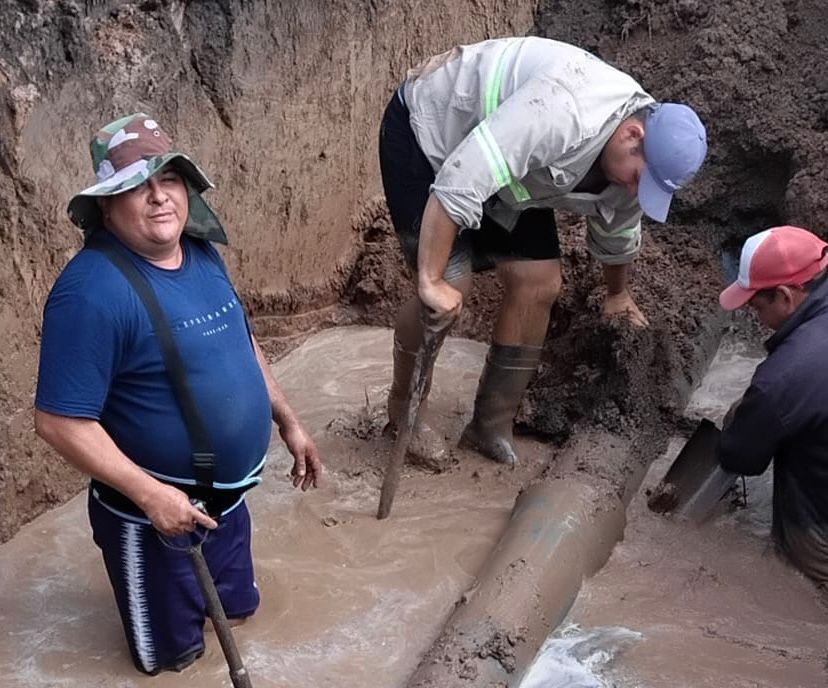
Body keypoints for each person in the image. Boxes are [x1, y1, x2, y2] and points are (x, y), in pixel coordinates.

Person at [34, 113, 323, 674]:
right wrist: (150, 496)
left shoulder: (203, 255)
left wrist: (288, 420)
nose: (159, 197)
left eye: (168, 180)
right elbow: (58, 422)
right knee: (175, 664)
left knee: (238, 615)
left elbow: (242, 344)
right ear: (107, 206)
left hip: (230, 507)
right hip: (155, 522)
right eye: (137, 187)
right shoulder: (90, 293)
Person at [378, 36, 708, 466]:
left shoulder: (638, 166)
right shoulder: (563, 113)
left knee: (539, 282)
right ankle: (404, 420)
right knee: (449, 287)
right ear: (632, 134)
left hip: (515, 171)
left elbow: (618, 230)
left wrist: (617, 295)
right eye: (638, 178)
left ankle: (489, 427)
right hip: (432, 134)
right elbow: (461, 180)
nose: (634, 189)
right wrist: (431, 280)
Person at [717, 225, 828, 586]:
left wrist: (746, 416)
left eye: (755, 307)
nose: (756, 319)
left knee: (799, 584)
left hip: (819, 528)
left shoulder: (786, 377)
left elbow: (740, 457)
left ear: (784, 296)